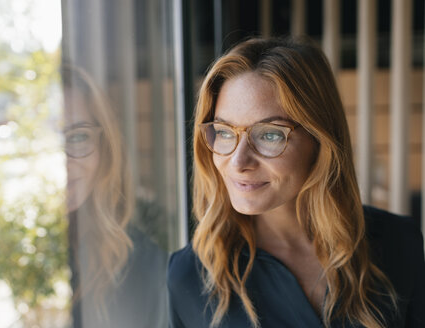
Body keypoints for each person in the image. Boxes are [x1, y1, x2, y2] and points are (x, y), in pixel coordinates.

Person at [167, 37, 425, 328]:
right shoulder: (190, 277)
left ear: (320, 141)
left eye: (269, 135)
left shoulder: (398, 244)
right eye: (225, 132)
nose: (238, 162)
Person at [62, 65, 167, 328]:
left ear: (104, 148)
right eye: (39, 138)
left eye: (77, 137)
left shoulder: (143, 267)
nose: (60, 161)